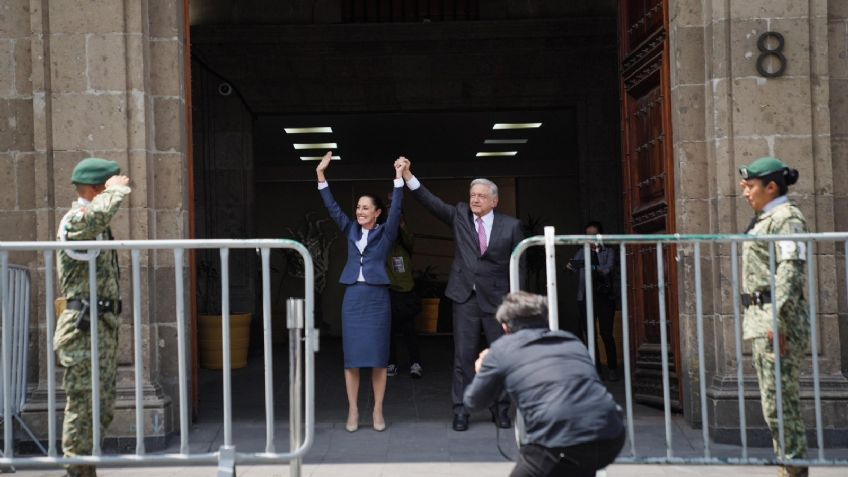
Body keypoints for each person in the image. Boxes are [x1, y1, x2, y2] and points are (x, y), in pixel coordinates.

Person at [396, 157, 525, 432]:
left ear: (494, 201)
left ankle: (501, 409)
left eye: (481, 196)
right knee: (463, 357)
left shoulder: (511, 226)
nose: (475, 200)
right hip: (464, 298)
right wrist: (408, 176)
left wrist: (516, 307)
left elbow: (519, 268)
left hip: (498, 302)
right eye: (472, 195)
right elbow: (431, 203)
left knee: (499, 357)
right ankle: (462, 410)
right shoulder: (460, 215)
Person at [464, 292, 625, 477]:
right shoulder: (570, 340)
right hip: (610, 434)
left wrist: (483, 370)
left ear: (505, 327)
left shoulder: (501, 350)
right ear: (545, 319)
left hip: (558, 440)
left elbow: (473, 402)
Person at [316, 151, 405, 432]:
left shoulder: (387, 232)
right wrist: (321, 175)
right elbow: (332, 208)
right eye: (358, 207)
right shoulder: (350, 229)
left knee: (379, 359)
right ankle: (353, 411)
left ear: (378, 213)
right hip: (353, 298)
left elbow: (398, 208)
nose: (360, 211)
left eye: (366, 208)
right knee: (352, 358)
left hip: (377, 299)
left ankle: (378, 411)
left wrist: (399, 178)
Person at [54, 158, 131, 477]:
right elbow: (94, 216)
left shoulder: (95, 225)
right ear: (95, 188)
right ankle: (77, 473)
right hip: (83, 328)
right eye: (106, 185)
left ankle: (85, 471)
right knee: (84, 408)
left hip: (101, 328)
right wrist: (114, 193)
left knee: (100, 408)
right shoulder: (76, 220)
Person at [739, 156, 809, 477]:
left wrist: (776, 322)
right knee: (773, 403)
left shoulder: (787, 219)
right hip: (762, 318)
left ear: (771, 187)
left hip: (775, 320)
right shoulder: (766, 218)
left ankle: (792, 469)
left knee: (782, 404)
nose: (745, 192)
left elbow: (790, 272)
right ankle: (787, 463)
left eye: (750, 186)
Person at [565, 221, 618, 381]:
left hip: (604, 297)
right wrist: (570, 265)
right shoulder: (582, 251)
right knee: (590, 335)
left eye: (594, 234)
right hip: (585, 297)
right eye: (588, 235)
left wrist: (590, 266)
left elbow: (607, 269)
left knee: (606, 334)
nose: (591, 238)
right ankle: (595, 369)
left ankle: (613, 368)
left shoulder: (608, 251)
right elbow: (571, 268)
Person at [385, 199, 424, 379]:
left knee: (409, 330)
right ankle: (391, 363)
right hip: (389, 292)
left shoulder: (406, 245)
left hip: (406, 292)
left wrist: (398, 212)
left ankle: (415, 363)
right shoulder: (384, 246)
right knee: (389, 331)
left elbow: (406, 232)